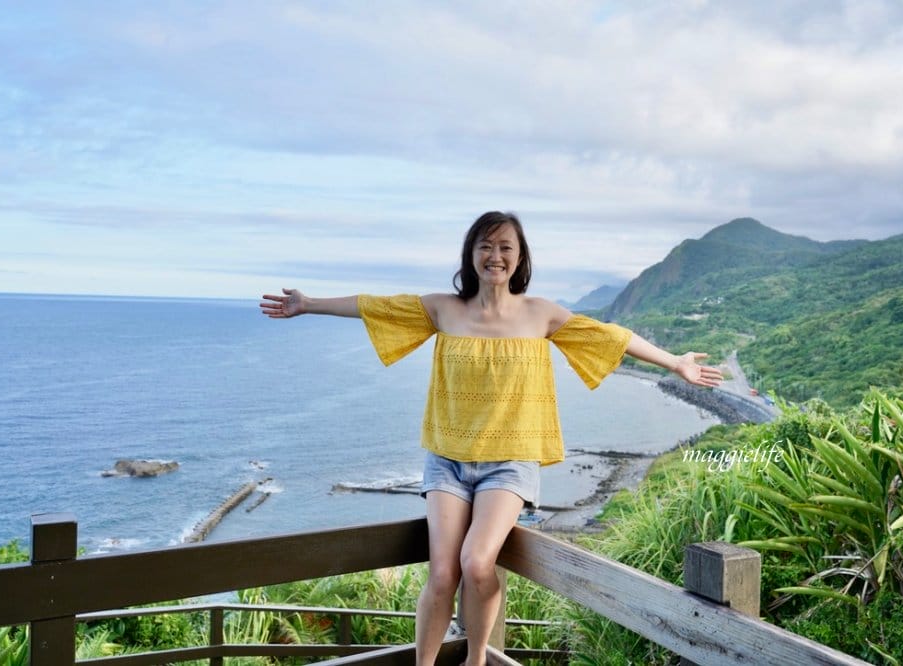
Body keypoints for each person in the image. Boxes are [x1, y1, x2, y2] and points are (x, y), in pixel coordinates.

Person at [260, 211, 722, 666]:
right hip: (447, 460)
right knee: (442, 573)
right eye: (485, 246)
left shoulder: (540, 314)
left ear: (520, 258)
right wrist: (309, 303)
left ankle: (476, 659)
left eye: (505, 247)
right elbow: (374, 306)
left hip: (510, 463)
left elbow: (611, 338)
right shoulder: (445, 309)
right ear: (471, 255)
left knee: (478, 564)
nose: (495, 256)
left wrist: (675, 362)